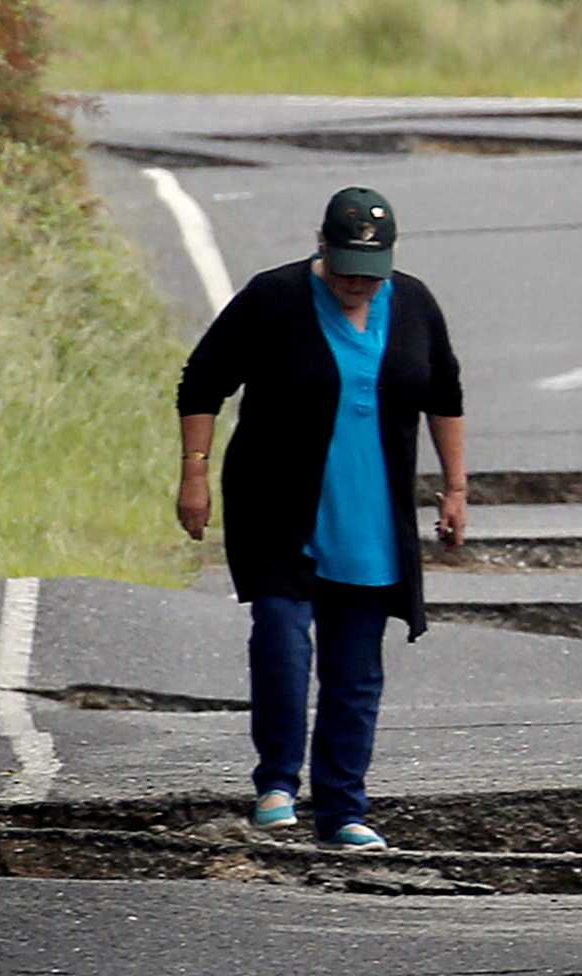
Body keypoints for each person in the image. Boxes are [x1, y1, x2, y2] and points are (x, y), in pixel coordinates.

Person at [175, 185, 468, 851]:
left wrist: (455, 488)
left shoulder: (414, 303)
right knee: (281, 639)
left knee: (356, 670)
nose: (358, 284)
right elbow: (202, 381)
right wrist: (194, 474)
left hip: (371, 515)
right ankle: (277, 784)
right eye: (346, 271)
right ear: (322, 248)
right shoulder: (273, 298)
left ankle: (343, 809)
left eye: (371, 273)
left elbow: (445, 396)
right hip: (277, 507)